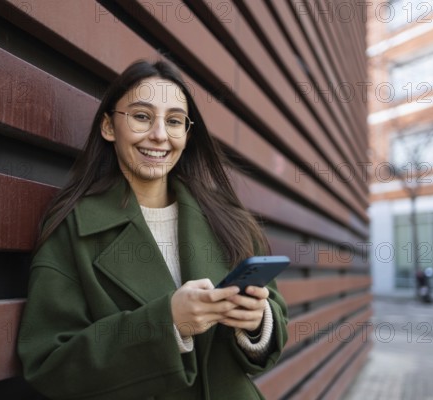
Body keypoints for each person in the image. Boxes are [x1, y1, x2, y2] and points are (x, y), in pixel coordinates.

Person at [17, 59, 289, 399]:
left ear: (186, 135)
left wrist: (257, 322)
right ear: (109, 126)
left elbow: (275, 319)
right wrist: (167, 324)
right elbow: (50, 364)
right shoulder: (72, 228)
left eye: (174, 121)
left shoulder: (228, 218)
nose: (160, 135)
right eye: (142, 116)